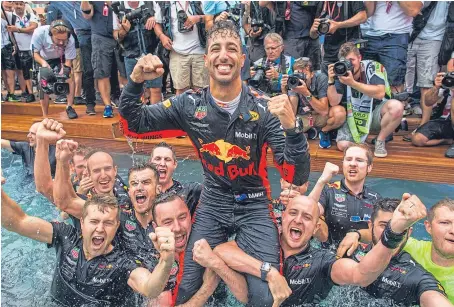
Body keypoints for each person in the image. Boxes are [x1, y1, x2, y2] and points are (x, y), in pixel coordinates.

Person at [119, 20, 310, 306]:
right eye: (216, 49)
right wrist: (135, 82)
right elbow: (133, 126)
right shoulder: (189, 104)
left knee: (265, 298)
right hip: (213, 202)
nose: (224, 55)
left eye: (232, 49)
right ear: (206, 59)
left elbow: (295, 175)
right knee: (185, 288)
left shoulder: (265, 109)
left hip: (255, 204)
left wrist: (293, 130)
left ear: (242, 59)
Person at [213, 193, 443, 306]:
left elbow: (361, 275)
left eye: (307, 217)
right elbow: (222, 250)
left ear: (315, 228)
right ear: (281, 218)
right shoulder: (261, 241)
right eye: (293, 213)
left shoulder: (322, 261)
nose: (299, 221)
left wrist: (393, 233)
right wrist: (268, 271)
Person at [1, 184, 176, 306]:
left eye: (108, 223)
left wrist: (166, 261)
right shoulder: (66, 237)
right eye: (94, 221)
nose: (100, 228)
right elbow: (17, 222)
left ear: (116, 227)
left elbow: (150, 288)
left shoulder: (123, 264)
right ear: (82, 222)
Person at [150, 191, 248, 306]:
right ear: (155, 227)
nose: (177, 228)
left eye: (182, 217)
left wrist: (216, 264)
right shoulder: (151, 263)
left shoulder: (210, 243)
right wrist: (207, 288)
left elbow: (246, 297)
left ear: (190, 216)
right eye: (168, 222)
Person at [327, 41, 404, 158]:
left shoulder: (373, 66)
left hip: (376, 114)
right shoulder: (341, 71)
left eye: (351, 60)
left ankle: (380, 140)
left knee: (397, 106)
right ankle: (363, 146)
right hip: (353, 116)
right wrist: (331, 81)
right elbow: (334, 102)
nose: (349, 65)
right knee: (343, 145)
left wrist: (352, 83)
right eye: (345, 62)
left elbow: (380, 93)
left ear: (359, 58)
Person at [319, 143, 381, 252]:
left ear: (369, 167)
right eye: (348, 159)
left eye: (359, 160)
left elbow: (379, 233)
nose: (352, 164)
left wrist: (357, 234)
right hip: (328, 255)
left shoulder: (375, 199)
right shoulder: (329, 190)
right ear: (343, 164)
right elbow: (309, 213)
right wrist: (321, 181)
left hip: (362, 258)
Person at [281, 57, 346, 148]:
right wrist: (284, 91)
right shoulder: (293, 81)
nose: (301, 79)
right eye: (298, 74)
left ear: (312, 74)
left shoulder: (321, 78)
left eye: (303, 75)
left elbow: (324, 111)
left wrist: (306, 93)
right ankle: (309, 132)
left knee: (339, 113)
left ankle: (324, 131)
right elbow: (292, 112)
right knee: (288, 126)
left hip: (320, 116)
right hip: (304, 116)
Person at [46, 1, 96, 115]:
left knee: (73, 72)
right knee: (75, 72)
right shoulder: (56, 5)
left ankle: (72, 103)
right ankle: (72, 98)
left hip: (75, 42)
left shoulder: (70, 39)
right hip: (65, 44)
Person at [363, 1, 423, 94]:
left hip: (397, 35)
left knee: (394, 82)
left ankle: (394, 107)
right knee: (366, 79)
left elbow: (413, 11)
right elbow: (368, 13)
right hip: (371, 34)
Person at [405, 1, 450, 123]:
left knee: (427, 85)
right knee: (400, 81)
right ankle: (395, 124)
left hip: (435, 38)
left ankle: (423, 126)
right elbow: (413, 9)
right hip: (408, 34)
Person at [81, 1, 126, 118]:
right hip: (101, 37)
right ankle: (107, 106)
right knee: (102, 73)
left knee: (125, 72)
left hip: (123, 36)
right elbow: (87, 14)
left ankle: (128, 104)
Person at [403, 198, 454, 304]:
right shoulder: (408, 248)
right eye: (445, 223)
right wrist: (358, 234)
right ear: (428, 227)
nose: (453, 231)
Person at [153, 1, 208, 96]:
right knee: (181, 91)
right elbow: (157, 23)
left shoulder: (201, 1)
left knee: (201, 90)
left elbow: (211, 18)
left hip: (200, 51)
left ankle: (201, 111)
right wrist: (162, 37)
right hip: (177, 52)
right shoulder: (164, 3)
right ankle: (183, 111)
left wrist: (198, 18)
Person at [113, 1, 162, 104]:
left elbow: (161, 24)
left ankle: (155, 118)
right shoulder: (117, 8)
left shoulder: (152, 3)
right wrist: (123, 30)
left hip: (152, 53)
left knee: (156, 89)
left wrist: (155, 19)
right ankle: (137, 118)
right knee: (134, 91)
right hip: (130, 55)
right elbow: (116, 36)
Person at [30, 19, 78, 119]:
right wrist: (44, 64)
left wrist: (64, 72)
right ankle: (45, 115)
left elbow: (69, 61)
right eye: (58, 39)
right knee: (43, 83)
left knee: (69, 77)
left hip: (61, 58)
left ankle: (69, 106)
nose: (61, 42)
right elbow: (35, 53)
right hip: (43, 58)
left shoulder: (70, 39)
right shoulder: (39, 33)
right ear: (51, 35)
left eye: (63, 40)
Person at [259, 1, 321, 71]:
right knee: (293, 70)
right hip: (291, 38)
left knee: (313, 69)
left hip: (312, 35)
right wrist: (277, 9)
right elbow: (262, 3)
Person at [311, 1, 367, 74]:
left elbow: (363, 16)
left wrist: (338, 25)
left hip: (348, 55)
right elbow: (314, 35)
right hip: (329, 56)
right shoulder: (322, 3)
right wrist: (312, 30)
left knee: (349, 83)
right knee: (329, 84)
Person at [411, 65, 454, 159]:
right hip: (446, 121)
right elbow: (428, 102)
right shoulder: (449, 82)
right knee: (417, 139)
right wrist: (436, 87)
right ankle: (448, 140)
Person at [149, 141, 202, 215]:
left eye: (167, 159)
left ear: (175, 164)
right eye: (158, 159)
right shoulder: (143, 194)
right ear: (150, 163)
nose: (162, 164)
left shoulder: (190, 191)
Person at [5, 1, 38, 103]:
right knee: (23, 72)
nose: (18, 6)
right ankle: (27, 93)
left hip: (33, 48)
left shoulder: (30, 15)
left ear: (24, 5)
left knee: (34, 72)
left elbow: (33, 27)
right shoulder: (11, 16)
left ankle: (38, 92)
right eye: (16, 4)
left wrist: (18, 29)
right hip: (19, 49)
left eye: (21, 4)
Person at [1, 5, 21, 102]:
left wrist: (14, 45)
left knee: (9, 72)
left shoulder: (5, 20)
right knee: (3, 73)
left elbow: (10, 34)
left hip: (6, 47)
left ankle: (11, 94)